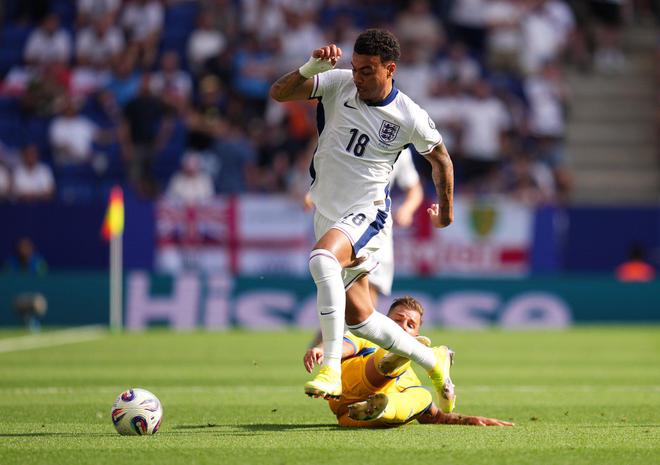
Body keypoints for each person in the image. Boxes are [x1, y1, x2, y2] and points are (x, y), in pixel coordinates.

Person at [269, 29, 456, 412]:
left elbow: (441, 160)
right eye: (355, 68)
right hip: (327, 211)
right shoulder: (338, 84)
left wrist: (446, 214)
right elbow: (279, 93)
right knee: (361, 320)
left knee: (322, 259)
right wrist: (309, 68)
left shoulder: (408, 115)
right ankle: (432, 360)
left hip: (367, 211)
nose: (357, 77)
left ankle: (332, 369)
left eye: (367, 71)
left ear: (390, 69)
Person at [303, 296, 513, 428]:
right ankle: (394, 361)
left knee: (422, 396)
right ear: (384, 322)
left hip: (352, 416)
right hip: (347, 385)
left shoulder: (409, 379)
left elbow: (435, 416)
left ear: (417, 335)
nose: (403, 326)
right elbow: (344, 345)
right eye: (397, 320)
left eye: (410, 325)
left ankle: (383, 408)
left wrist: (468, 420)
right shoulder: (366, 338)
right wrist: (323, 350)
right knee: (385, 357)